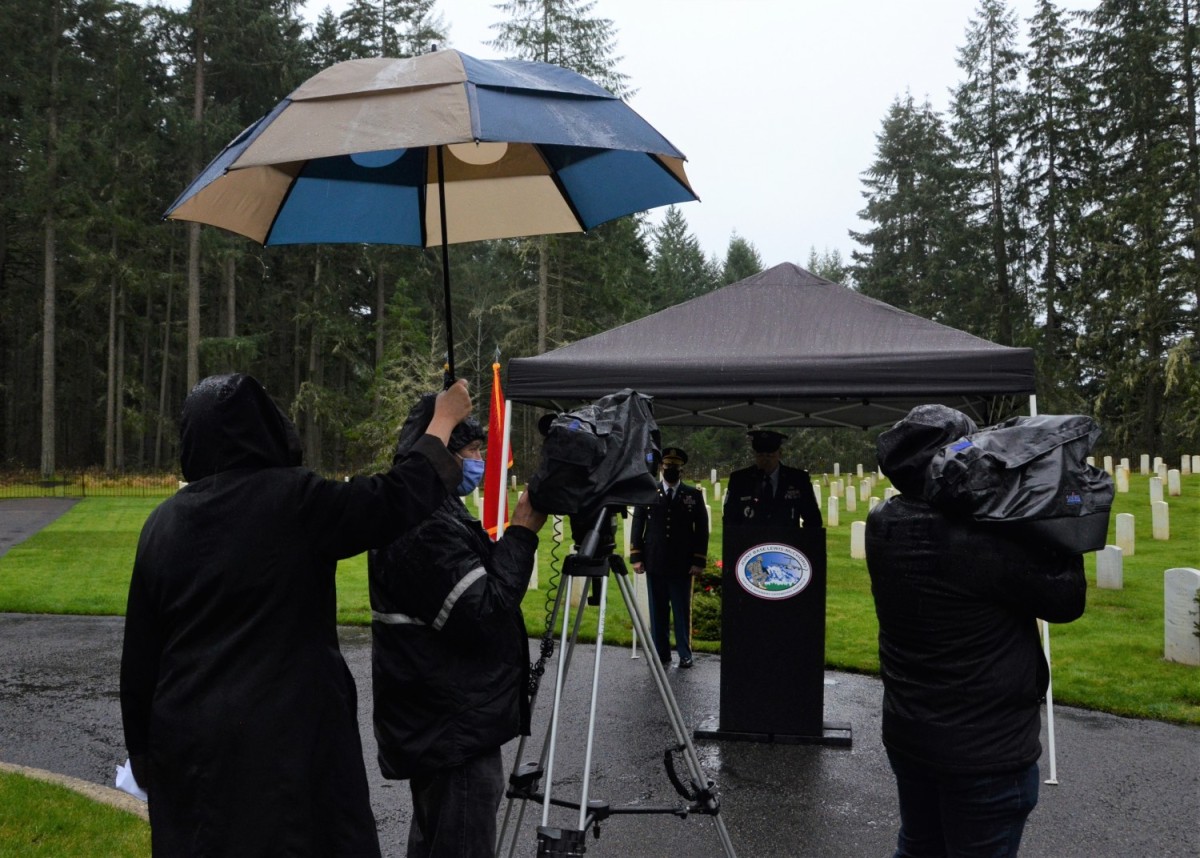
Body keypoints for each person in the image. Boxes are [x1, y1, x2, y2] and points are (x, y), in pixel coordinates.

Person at [119, 372, 471, 858]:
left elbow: (140, 658)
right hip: (286, 744)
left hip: (190, 741)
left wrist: (142, 753)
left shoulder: (162, 524)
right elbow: (391, 500)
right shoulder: (295, 501)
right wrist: (443, 423)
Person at [864, 404, 1087, 858]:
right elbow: (1066, 601)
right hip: (985, 748)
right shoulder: (982, 535)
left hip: (910, 730)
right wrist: (1059, 517)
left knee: (919, 847)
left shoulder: (883, 521)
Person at [369, 395, 548, 858]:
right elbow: (483, 613)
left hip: (446, 722)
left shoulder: (435, 509)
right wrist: (522, 531)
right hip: (450, 729)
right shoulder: (425, 523)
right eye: (471, 451)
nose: (479, 461)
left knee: (437, 839)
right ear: (439, 452)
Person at [629, 447, 709, 668]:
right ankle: (661, 653)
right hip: (655, 560)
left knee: (681, 611)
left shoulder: (693, 495)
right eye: (667, 465)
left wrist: (698, 560)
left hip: (682, 564)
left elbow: (702, 530)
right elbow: (637, 526)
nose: (670, 469)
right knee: (658, 611)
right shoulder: (649, 492)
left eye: (675, 466)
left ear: (681, 469)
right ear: (661, 467)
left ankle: (685, 653)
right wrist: (636, 556)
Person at [724, 429, 822, 529]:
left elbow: (813, 519)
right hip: (751, 538)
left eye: (770, 455)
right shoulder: (740, 480)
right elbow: (729, 519)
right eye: (760, 455)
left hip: (787, 537)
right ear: (754, 454)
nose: (765, 459)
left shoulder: (798, 479)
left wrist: (801, 538)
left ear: (780, 453)